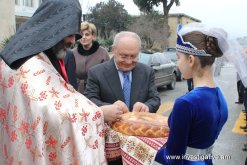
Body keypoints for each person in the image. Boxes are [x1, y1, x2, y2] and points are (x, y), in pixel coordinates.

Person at [0, 0, 120, 164]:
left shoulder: (24, 53)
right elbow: (49, 112)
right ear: (54, 27)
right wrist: (99, 113)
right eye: (70, 34)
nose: (73, 41)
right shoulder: (31, 63)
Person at [155, 23, 230, 164]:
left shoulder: (186, 103)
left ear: (190, 60)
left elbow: (172, 159)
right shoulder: (220, 95)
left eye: (178, 57)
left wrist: (142, 147)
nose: (177, 63)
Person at [84, 31, 161, 114]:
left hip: (138, 125)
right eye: (123, 56)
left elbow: (155, 99)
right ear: (113, 50)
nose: (128, 62)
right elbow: (89, 100)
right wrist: (107, 108)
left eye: (133, 56)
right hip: (109, 125)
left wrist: (146, 106)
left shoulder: (147, 72)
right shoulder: (96, 73)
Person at [65, 21, 110, 93]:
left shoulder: (103, 53)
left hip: (96, 91)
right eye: (81, 34)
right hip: (75, 91)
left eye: (87, 34)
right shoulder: (72, 53)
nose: (83, 37)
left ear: (93, 36)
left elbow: (108, 75)